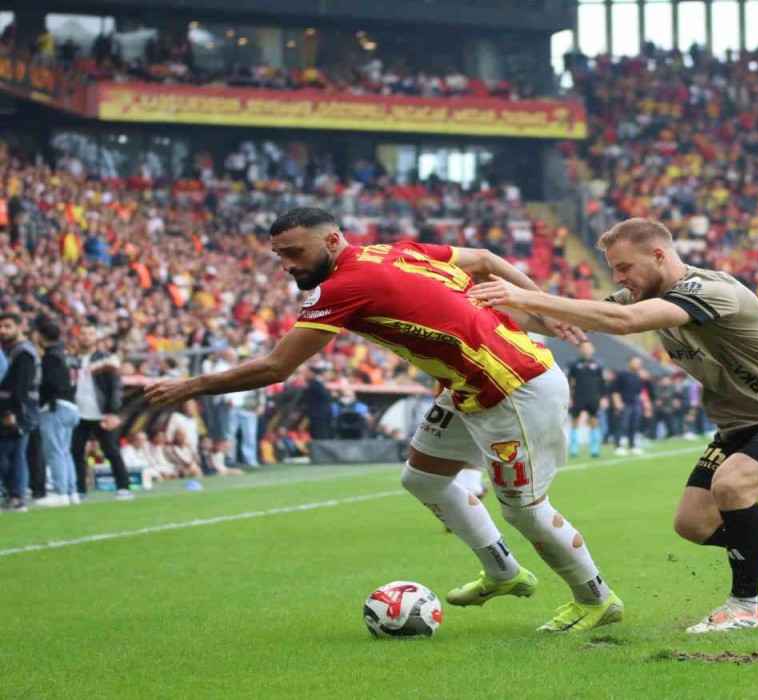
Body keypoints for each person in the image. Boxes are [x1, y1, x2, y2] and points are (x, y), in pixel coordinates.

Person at [144, 207, 623, 633]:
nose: (288, 265)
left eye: (295, 252)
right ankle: (503, 573)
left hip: (514, 388)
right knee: (423, 479)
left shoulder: (342, 287)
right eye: (280, 256)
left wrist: (189, 386)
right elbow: (484, 258)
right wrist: (542, 304)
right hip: (471, 387)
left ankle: (596, 599)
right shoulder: (393, 252)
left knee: (523, 509)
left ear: (333, 242)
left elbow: (276, 368)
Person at [469, 218, 758, 634]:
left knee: (732, 486)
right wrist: (476, 302)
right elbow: (562, 323)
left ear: (659, 255)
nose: (618, 278)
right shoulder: (640, 295)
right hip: (741, 423)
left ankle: (744, 608)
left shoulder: (710, 290)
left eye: (623, 267)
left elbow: (624, 322)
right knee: (694, 524)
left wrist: (521, 292)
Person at [70, 327, 132, 500]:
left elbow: (115, 387)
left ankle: (123, 486)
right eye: (82, 333)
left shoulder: (105, 359)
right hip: (78, 413)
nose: (85, 336)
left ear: (95, 337)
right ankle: (80, 489)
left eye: (89, 333)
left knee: (111, 450)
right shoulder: (72, 359)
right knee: (76, 451)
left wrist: (113, 411)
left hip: (101, 412)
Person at [32, 317, 79, 507]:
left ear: (41, 335)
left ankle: (60, 492)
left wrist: (41, 401)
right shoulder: (65, 353)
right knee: (65, 451)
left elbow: (49, 384)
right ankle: (71, 491)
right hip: (71, 405)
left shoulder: (50, 356)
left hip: (55, 406)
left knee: (55, 452)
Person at [0, 313, 40, 512]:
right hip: (9, 408)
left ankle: (17, 496)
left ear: (19, 327)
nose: (3, 331)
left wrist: (11, 412)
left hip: (19, 411)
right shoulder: (10, 350)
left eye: (7, 326)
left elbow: (21, 388)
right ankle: (14, 493)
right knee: (11, 454)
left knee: (14, 454)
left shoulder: (23, 352)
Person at [566, 342, 607, 458]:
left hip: (593, 397)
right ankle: (574, 449)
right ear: (580, 349)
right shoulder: (574, 364)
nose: (586, 350)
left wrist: (603, 398)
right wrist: (569, 397)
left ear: (593, 349)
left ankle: (594, 449)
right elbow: (569, 382)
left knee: (594, 421)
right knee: (575, 421)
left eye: (588, 348)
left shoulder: (598, 364)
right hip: (578, 397)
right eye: (584, 348)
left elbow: (603, 383)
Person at [611, 356, 645, 456]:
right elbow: (615, 390)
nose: (637, 364)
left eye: (639, 363)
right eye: (635, 362)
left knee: (634, 426)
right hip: (624, 404)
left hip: (635, 404)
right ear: (629, 362)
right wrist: (617, 402)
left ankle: (632, 446)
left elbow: (639, 392)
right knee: (622, 426)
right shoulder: (621, 374)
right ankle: (618, 446)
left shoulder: (638, 376)